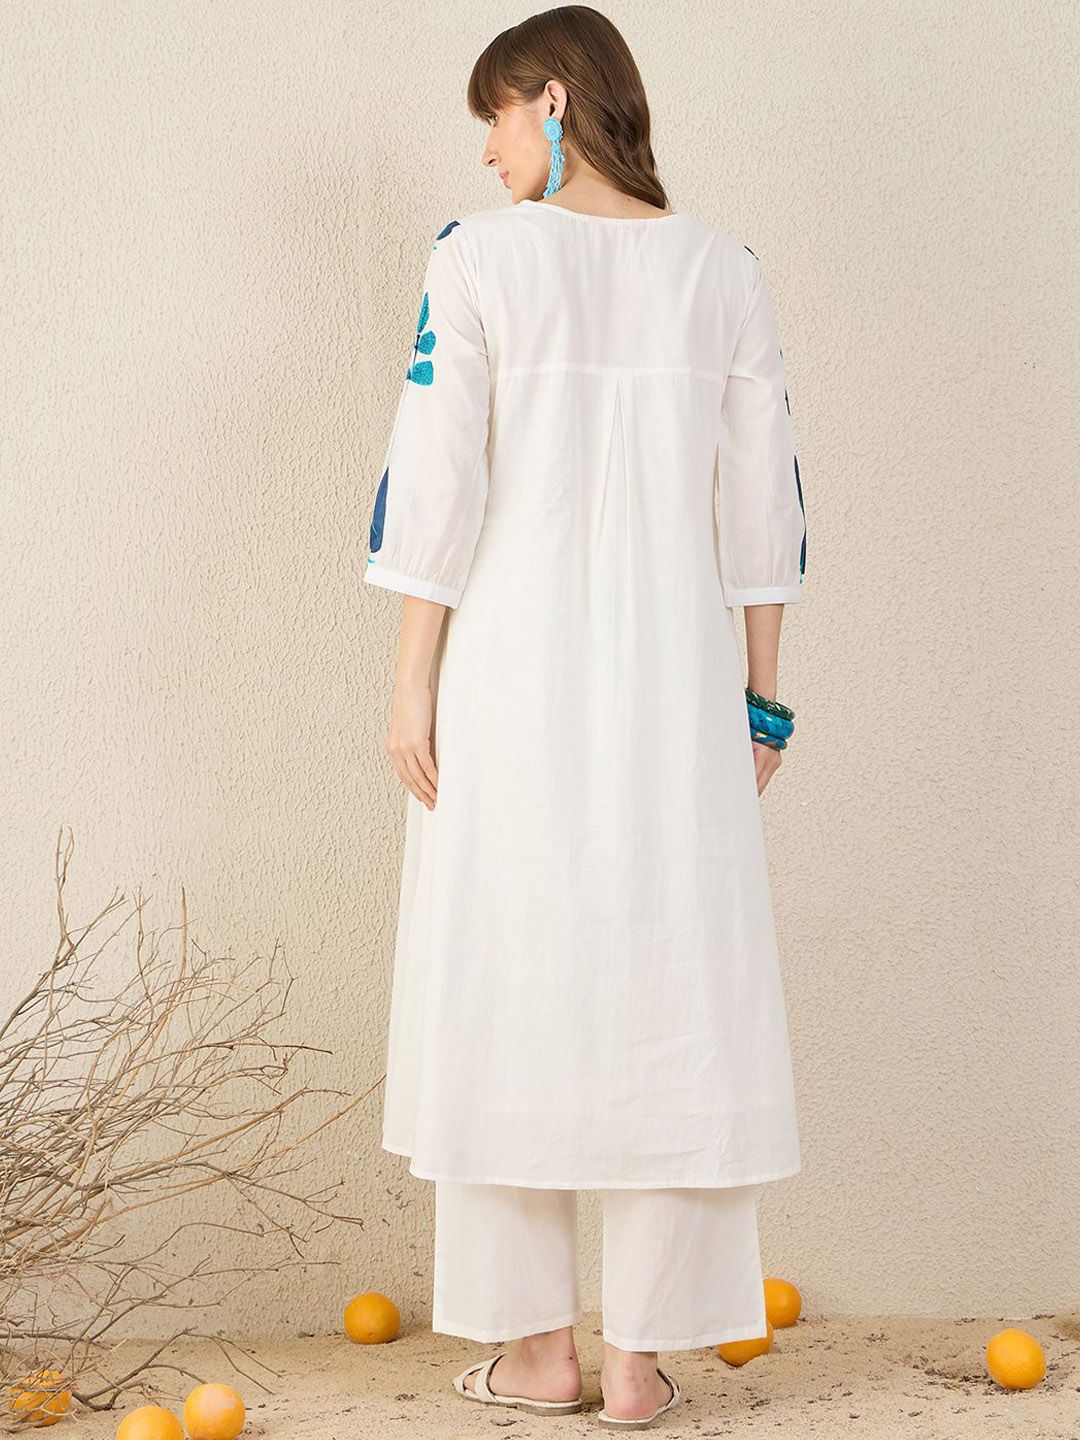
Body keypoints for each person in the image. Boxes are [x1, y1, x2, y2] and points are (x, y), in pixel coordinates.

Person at [364, 6, 807, 1428]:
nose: (487, 151)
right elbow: (766, 500)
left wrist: (413, 682)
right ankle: (640, 1363)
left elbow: (439, 477)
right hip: (677, 681)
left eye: (494, 117)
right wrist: (764, 702)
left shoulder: (477, 258)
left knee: (508, 981)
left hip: (511, 676)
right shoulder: (724, 271)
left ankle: (538, 1352)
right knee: (678, 986)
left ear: (551, 101)